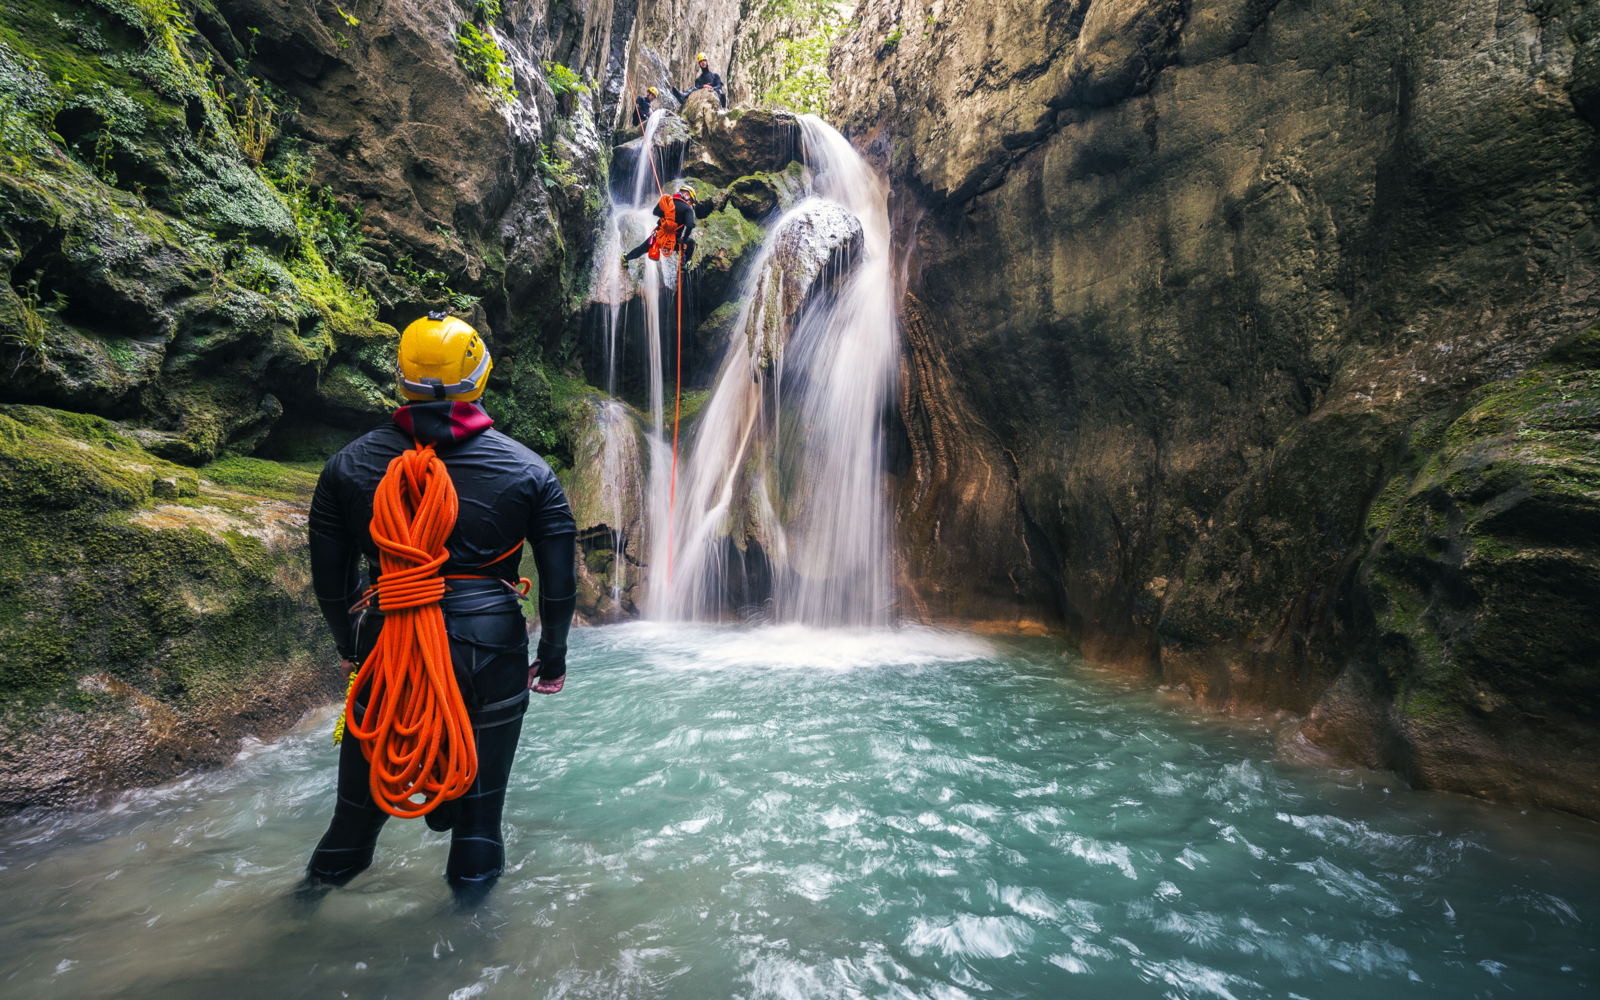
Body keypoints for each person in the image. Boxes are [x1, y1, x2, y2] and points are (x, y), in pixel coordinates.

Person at [303, 311, 577, 903]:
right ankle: (470, 960)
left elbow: (333, 581)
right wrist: (551, 660)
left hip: (390, 641)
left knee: (353, 818)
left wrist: (353, 646)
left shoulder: (348, 467)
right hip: (490, 645)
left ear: (400, 379)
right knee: (479, 826)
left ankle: (296, 920)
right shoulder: (530, 472)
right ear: (479, 376)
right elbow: (559, 586)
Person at [622, 184, 698, 265]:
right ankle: (685, 264)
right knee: (691, 243)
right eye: (690, 201)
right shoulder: (687, 209)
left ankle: (625, 258)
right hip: (674, 241)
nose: (690, 204)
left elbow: (655, 212)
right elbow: (690, 225)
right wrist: (684, 240)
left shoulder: (666, 201)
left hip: (659, 237)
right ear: (686, 195)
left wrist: (665, 212)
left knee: (642, 249)